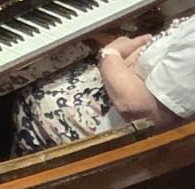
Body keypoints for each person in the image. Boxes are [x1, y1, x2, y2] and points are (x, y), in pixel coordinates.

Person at [13, 17, 195, 153]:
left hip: (120, 131)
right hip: (125, 91)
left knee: (31, 94)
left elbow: (142, 110)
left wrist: (110, 53)